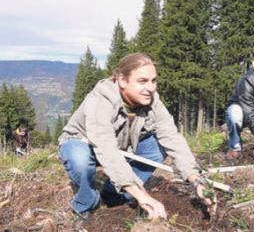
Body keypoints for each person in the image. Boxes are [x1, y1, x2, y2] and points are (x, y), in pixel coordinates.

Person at [58, 53, 214, 220]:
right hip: (85, 144)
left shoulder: (152, 100)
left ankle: (115, 194)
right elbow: (105, 147)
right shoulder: (101, 99)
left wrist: (195, 179)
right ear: (122, 80)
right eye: (142, 81)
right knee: (79, 158)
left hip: (121, 147)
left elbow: (171, 136)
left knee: (158, 146)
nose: (150, 88)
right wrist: (141, 194)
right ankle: (87, 202)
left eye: (153, 81)